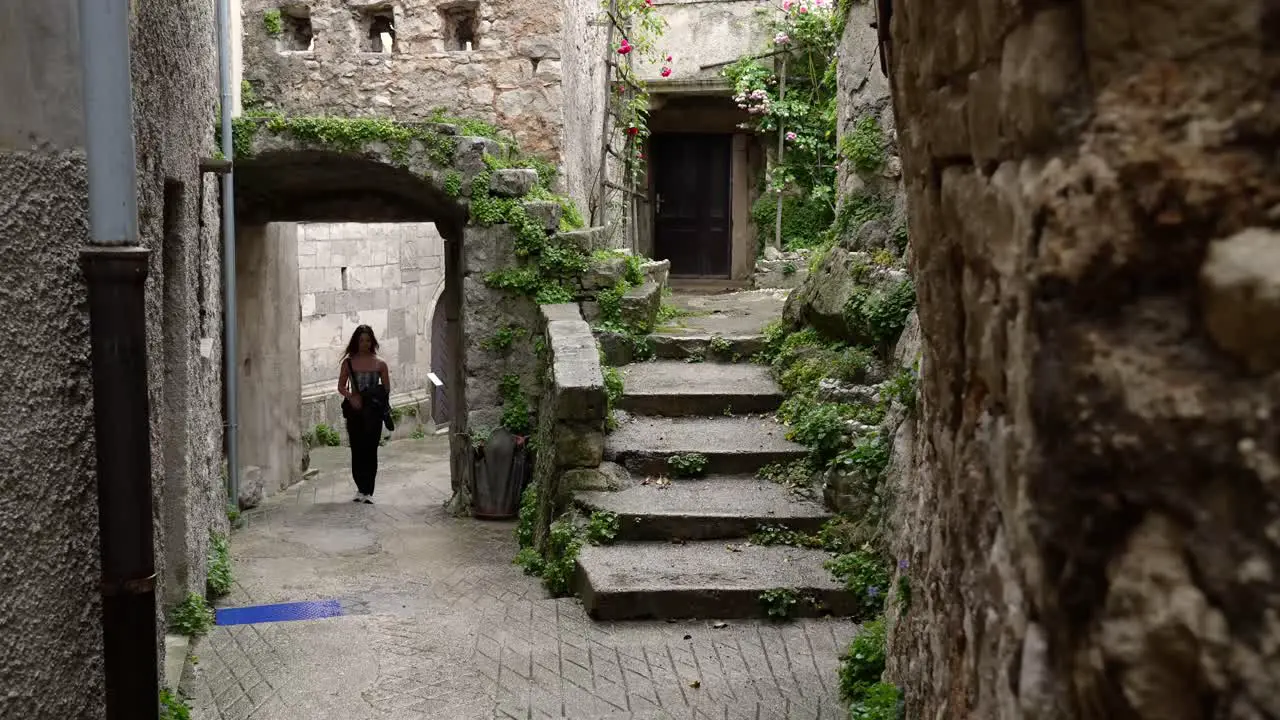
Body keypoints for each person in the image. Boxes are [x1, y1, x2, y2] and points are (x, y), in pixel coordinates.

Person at [337, 325, 391, 504]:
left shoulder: (380, 363)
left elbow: (386, 388)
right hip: (355, 411)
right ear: (356, 341)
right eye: (361, 340)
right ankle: (360, 487)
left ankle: (369, 489)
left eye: (368, 340)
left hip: (373, 411)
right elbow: (341, 386)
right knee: (357, 449)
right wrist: (351, 397)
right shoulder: (348, 363)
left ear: (372, 341)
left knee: (371, 449)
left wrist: (376, 398)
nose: (364, 344)